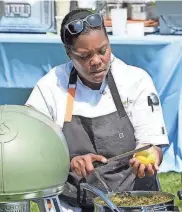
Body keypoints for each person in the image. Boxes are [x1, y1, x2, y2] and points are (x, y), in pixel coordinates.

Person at [26, 9, 169, 212]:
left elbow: (152, 144)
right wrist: (66, 161)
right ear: (69, 53)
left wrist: (150, 156)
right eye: (84, 56)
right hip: (74, 204)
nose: (96, 61)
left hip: (135, 202)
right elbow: (29, 144)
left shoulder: (135, 80)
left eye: (103, 51)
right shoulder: (51, 86)